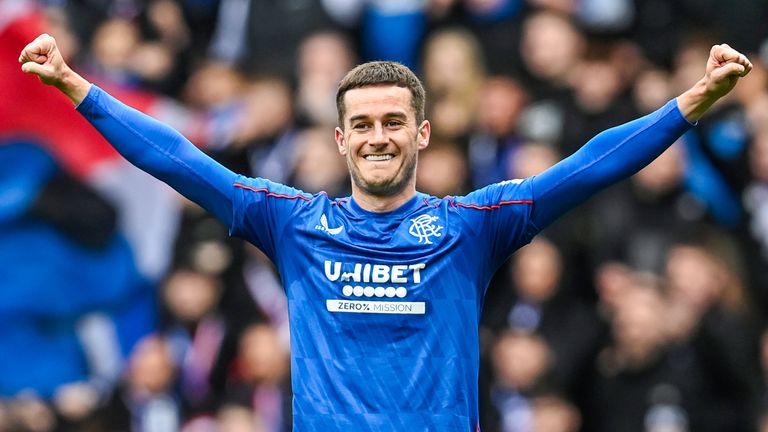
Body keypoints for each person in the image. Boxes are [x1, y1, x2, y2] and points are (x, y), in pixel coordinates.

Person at [18, 33, 752, 431]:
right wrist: (80, 91)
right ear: (339, 140)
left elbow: (588, 169)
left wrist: (688, 103)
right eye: (362, 124)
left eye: (393, 122)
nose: (378, 136)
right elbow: (182, 160)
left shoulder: (471, 227)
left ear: (422, 132)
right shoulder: (294, 223)